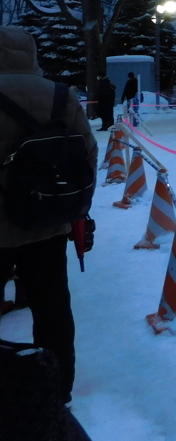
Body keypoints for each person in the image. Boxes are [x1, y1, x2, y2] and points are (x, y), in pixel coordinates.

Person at [0, 26, 98, 405]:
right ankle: (57, 390)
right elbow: (87, 154)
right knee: (53, 308)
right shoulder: (60, 94)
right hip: (47, 223)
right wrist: (75, 208)